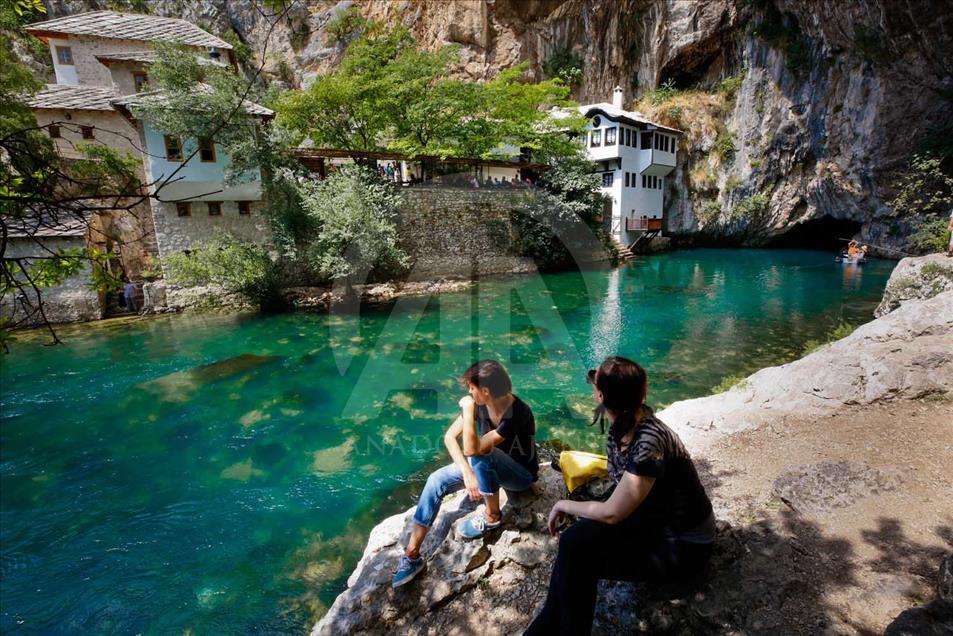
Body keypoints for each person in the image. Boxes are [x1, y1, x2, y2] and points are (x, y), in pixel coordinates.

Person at [525, 356, 715, 635]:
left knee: (578, 552)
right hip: (654, 523)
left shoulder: (649, 440)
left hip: (685, 544)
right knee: (575, 544)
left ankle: (553, 628)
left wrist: (564, 504)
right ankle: (548, 626)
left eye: (594, 387)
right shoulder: (623, 429)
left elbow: (613, 512)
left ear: (600, 396)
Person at [393, 360, 538, 588]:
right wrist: (467, 473)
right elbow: (450, 437)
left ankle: (492, 516)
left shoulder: (516, 413)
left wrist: (468, 409)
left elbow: (476, 450)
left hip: (519, 476)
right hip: (484, 468)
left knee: (483, 455)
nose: (469, 393)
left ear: (485, 391)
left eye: (472, 388)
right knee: (436, 479)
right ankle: (412, 555)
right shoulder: (481, 404)